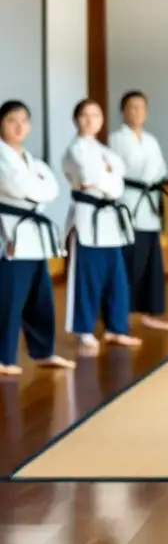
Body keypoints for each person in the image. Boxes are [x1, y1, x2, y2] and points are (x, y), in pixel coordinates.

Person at [0, 100, 75, 375]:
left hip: (34, 238)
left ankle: (43, 351)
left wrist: (33, 190)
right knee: (9, 299)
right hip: (9, 235)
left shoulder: (33, 161)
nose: (19, 126)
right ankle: (3, 357)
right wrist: (34, 189)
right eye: (11, 120)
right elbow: (14, 185)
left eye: (24, 120)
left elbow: (52, 189)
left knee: (40, 298)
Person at [61, 99, 142, 356]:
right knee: (87, 278)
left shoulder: (105, 151)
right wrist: (106, 176)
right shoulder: (74, 150)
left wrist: (105, 176)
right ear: (76, 120)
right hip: (86, 218)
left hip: (108, 220)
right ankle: (83, 329)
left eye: (95, 115)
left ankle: (117, 328)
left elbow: (118, 183)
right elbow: (88, 177)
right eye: (84, 115)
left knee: (116, 278)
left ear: (102, 120)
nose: (90, 119)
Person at [108, 90, 168, 331]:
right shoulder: (117, 138)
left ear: (146, 112)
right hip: (129, 202)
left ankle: (151, 312)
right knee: (129, 261)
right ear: (123, 112)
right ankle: (119, 312)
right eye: (131, 108)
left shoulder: (152, 140)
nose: (137, 112)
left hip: (149, 206)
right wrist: (145, 174)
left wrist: (150, 176)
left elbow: (160, 168)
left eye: (141, 108)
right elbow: (120, 169)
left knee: (151, 262)